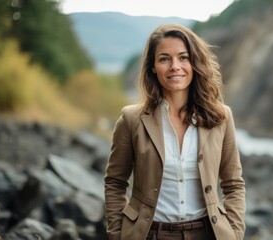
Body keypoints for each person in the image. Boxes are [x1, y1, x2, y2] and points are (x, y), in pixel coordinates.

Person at [104, 23, 245, 240]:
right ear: (152, 66)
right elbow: (115, 182)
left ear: (194, 62)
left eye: (183, 57)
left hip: (207, 234)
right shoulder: (132, 120)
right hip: (149, 234)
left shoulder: (221, 118)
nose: (174, 66)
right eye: (164, 59)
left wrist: (234, 233)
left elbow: (233, 184)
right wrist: (117, 234)